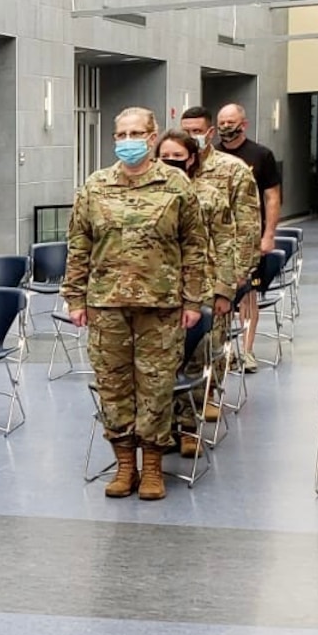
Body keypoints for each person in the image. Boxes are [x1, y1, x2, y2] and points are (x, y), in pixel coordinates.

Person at [62, 108, 208, 501]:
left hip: (160, 308)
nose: (128, 140)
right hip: (106, 305)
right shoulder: (95, 186)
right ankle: (125, 465)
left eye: (137, 133)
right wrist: (75, 297)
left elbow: (194, 245)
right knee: (113, 388)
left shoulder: (175, 183)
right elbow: (79, 246)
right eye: (121, 133)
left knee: (157, 388)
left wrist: (194, 299)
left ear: (153, 135)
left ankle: (154, 467)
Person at [155, 130, 236, 459]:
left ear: (192, 159)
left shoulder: (210, 195)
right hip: (159, 294)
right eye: (164, 156)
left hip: (201, 291)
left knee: (197, 359)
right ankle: (164, 429)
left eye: (178, 156)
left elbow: (227, 243)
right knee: (161, 364)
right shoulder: (150, 195)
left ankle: (189, 428)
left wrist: (225, 290)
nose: (171, 162)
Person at [178, 106, 260, 386]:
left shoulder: (232, 170)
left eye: (197, 132)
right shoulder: (170, 170)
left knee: (211, 342)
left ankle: (209, 395)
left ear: (210, 133)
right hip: (177, 278)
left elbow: (246, 227)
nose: (191, 137)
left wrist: (236, 277)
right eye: (185, 132)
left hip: (216, 275)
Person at [214, 103, 282, 372]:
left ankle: (247, 350)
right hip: (220, 241)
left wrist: (269, 234)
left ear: (244, 124)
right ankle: (223, 351)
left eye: (231, 121)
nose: (225, 127)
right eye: (221, 122)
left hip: (250, 238)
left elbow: (272, 196)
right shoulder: (213, 155)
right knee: (222, 297)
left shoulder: (261, 155)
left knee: (247, 295)